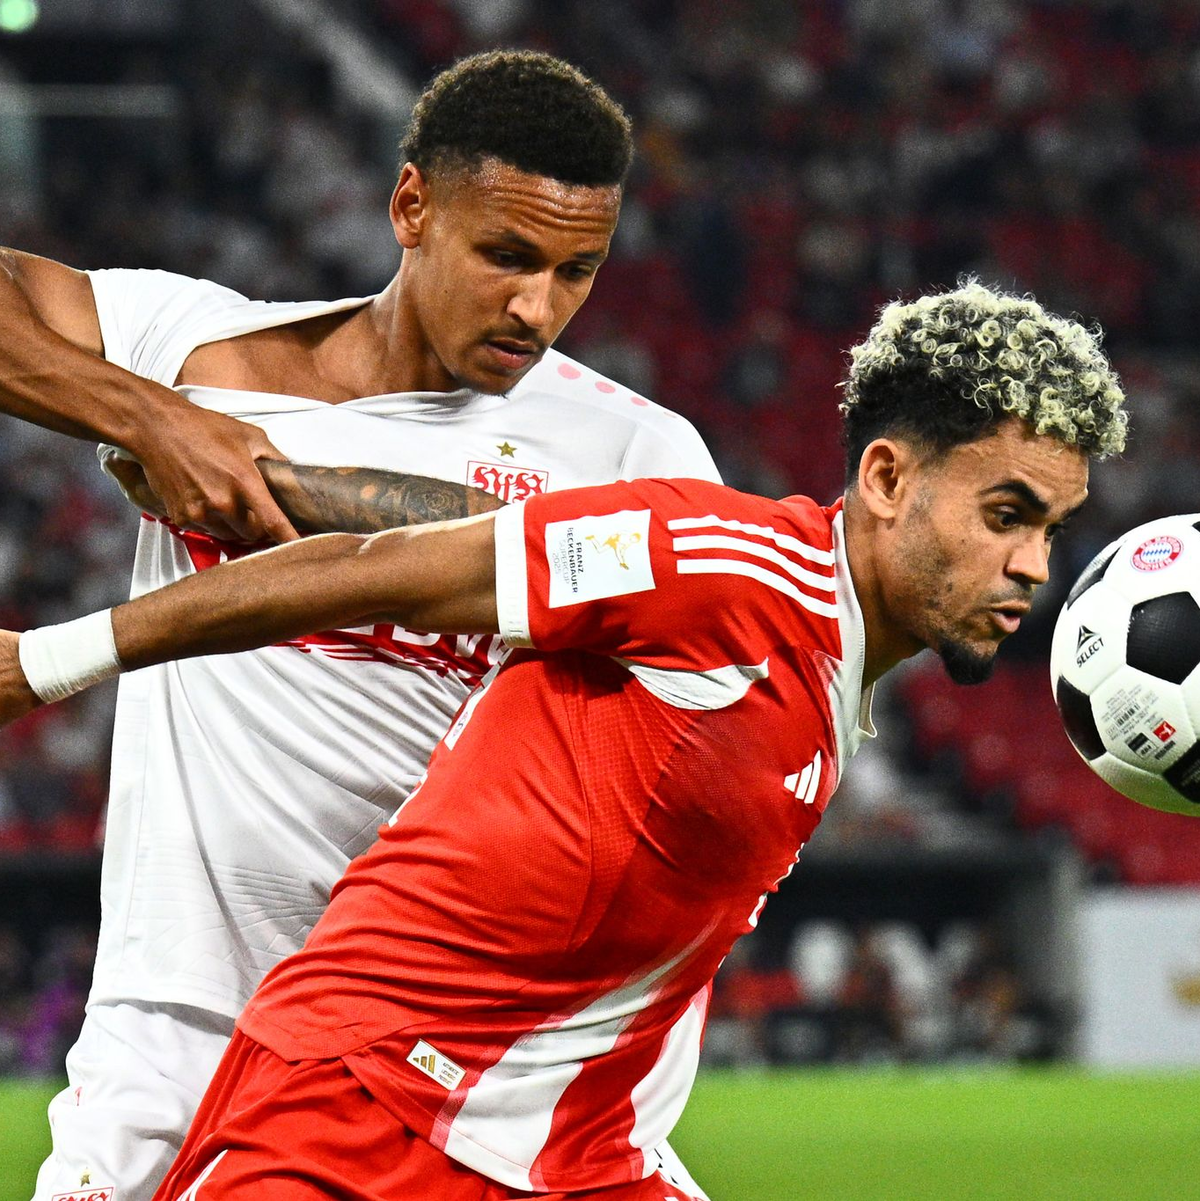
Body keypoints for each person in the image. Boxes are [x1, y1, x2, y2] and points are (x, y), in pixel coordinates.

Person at [0, 280, 1127, 1198]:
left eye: (1051, 529)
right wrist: (52, 657)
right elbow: (379, 573)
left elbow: (484, 535)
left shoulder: (819, 658)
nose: (1034, 565)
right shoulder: (731, 569)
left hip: (569, 1151)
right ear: (886, 479)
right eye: (1007, 513)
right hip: (361, 1115)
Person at [0, 50, 718, 1201]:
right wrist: (155, 417)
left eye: (578, 270)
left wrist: (285, 490)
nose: (539, 307)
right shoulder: (197, 347)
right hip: (183, 1012)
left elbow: (672, 644)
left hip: (450, 1047)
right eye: (507, 257)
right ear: (409, 207)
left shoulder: (631, 454)